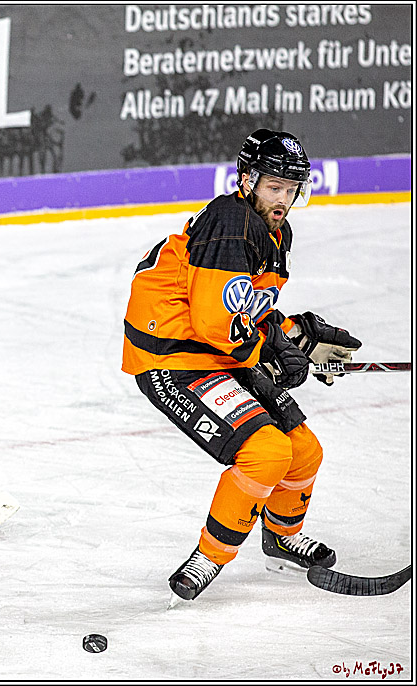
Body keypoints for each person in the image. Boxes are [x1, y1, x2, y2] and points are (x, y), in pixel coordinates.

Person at [120, 129, 363, 602]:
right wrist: (274, 355)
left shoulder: (273, 230)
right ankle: (207, 558)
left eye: (292, 189)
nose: (284, 200)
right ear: (248, 180)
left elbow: (248, 309)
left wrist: (296, 335)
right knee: (266, 453)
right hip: (174, 360)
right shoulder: (231, 223)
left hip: (217, 352)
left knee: (304, 450)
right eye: (275, 187)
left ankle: (281, 537)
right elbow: (217, 322)